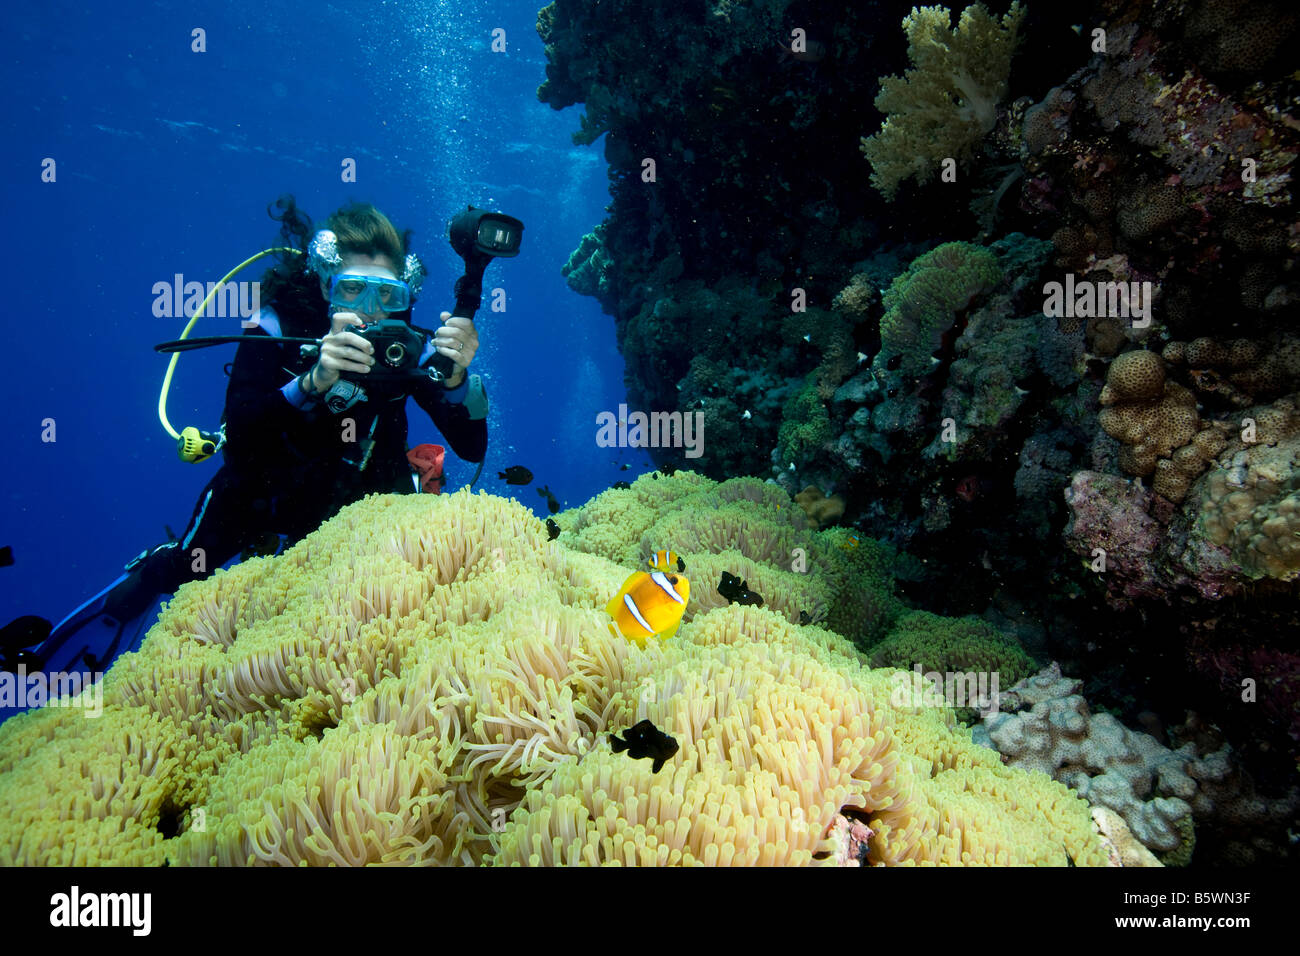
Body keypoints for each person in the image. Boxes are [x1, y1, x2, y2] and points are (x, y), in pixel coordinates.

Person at [15, 197, 488, 674]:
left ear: (406, 295)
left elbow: (473, 448)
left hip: (360, 497)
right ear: (326, 285)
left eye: (387, 295)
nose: (370, 311)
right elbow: (240, 438)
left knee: (373, 604)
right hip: (262, 488)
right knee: (184, 569)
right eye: (353, 290)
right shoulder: (278, 327)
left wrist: (456, 382)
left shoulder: (406, 349)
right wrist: (312, 381)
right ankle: (129, 593)